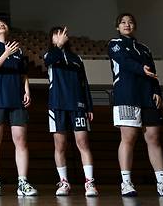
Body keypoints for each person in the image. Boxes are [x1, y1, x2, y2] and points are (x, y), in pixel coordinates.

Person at [109, 13, 163, 197]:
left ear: (135, 26)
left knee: (154, 138)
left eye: (130, 22)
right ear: (118, 27)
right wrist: (141, 69)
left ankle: (162, 183)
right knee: (128, 138)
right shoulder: (114, 43)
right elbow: (124, 62)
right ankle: (126, 182)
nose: (127, 24)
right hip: (126, 96)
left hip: (147, 96)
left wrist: (157, 91)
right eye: (123, 22)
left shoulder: (144, 48)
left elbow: (153, 72)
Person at [0, 18, 37, 197]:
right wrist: (5, 53)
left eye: (3, 23)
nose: (1, 25)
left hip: (16, 100)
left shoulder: (18, 50)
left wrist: (27, 91)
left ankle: (22, 182)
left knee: (21, 141)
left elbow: (24, 74)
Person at [44, 26, 98, 197]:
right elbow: (48, 61)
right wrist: (58, 46)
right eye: (56, 34)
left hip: (78, 105)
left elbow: (84, 83)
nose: (60, 36)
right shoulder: (50, 55)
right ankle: (64, 182)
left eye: (62, 34)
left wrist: (88, 106)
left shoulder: (77, 58)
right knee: (60, 145)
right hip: (57, 105)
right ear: (52, 39)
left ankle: (89, 182)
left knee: (83, 142)